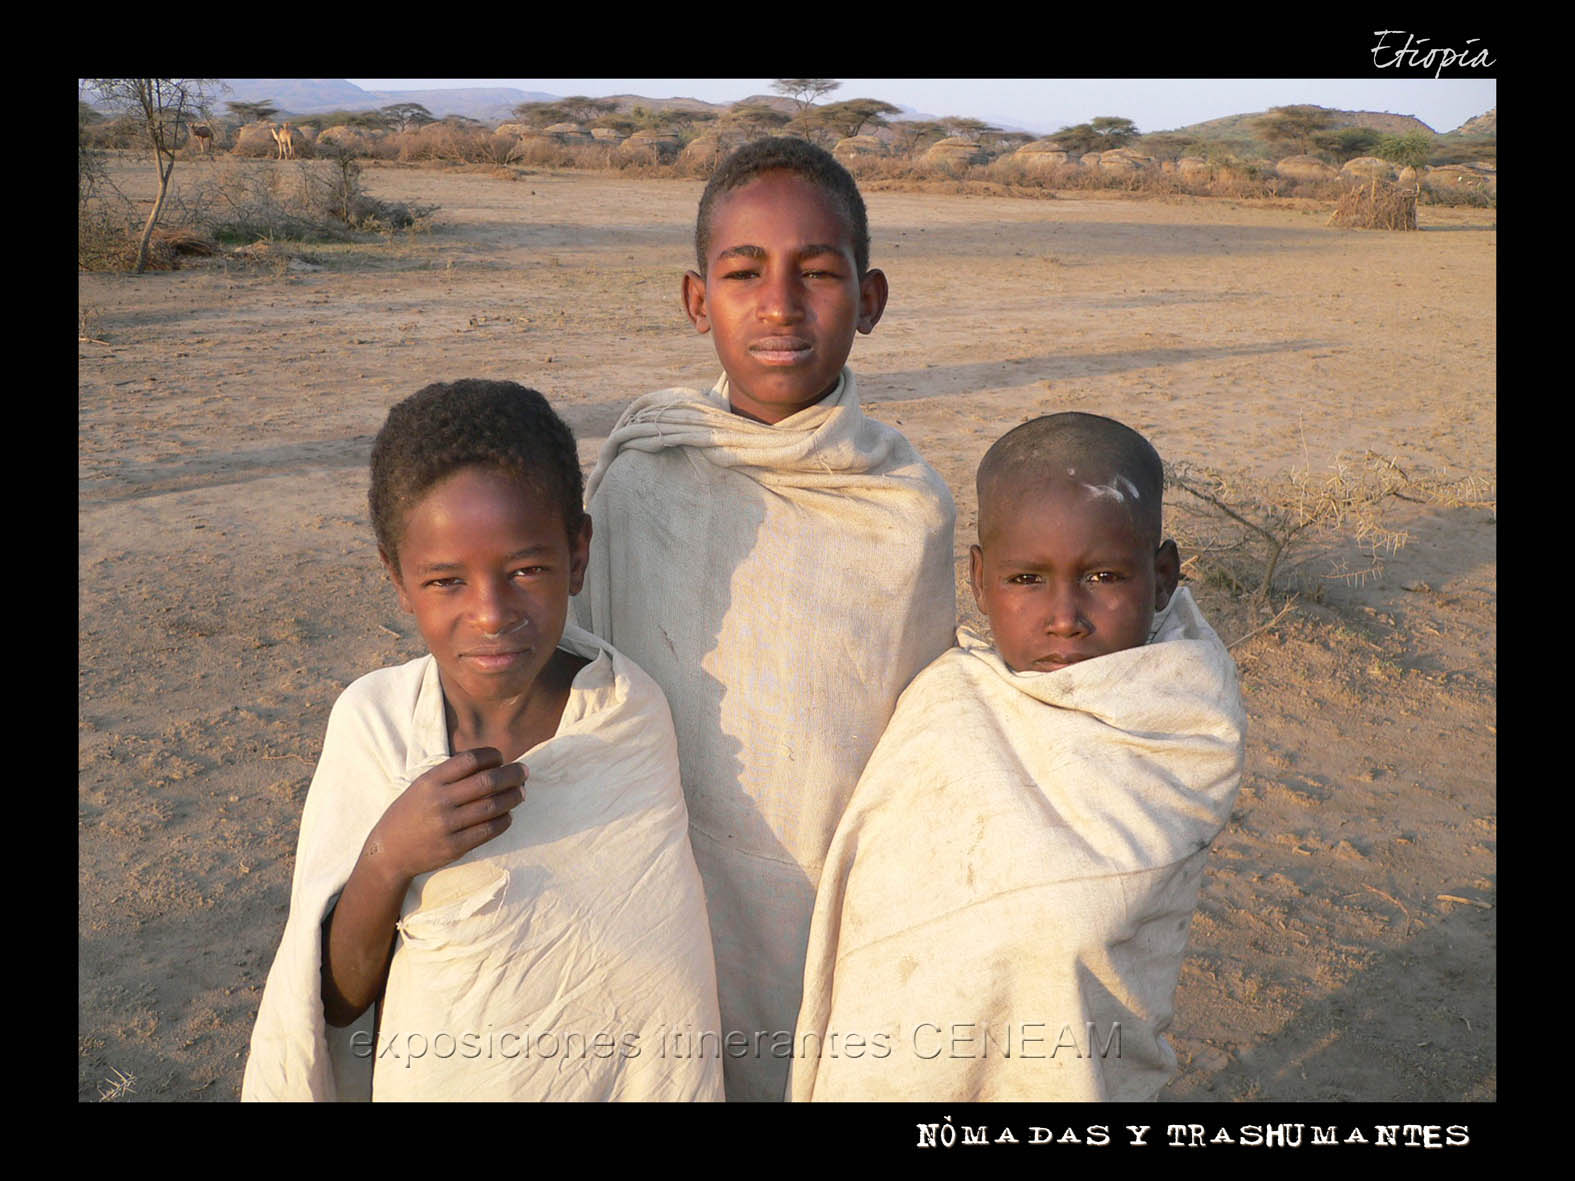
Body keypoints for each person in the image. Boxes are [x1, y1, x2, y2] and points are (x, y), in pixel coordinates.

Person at [575, 138, 956, 1100]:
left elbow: (916, 750)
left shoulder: (904, 511)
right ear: (698, 299)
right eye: (744, 272)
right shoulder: (637, 477)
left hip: (821, 901)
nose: (780, 304)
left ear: (868, 300)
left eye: (817, 273)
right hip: (654, 881)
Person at [242, 380, 722, 1101]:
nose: (492, 613)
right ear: (398, 580)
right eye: (445, 581)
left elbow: (656, 981)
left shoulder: (627, 717)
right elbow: (334, 1004)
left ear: (578, 552)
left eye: (526, 570)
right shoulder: (377, 724)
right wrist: (388, 856)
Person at [791, 412, 1247, 1101]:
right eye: (1026, 578)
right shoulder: (945, 702)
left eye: (1102, 574)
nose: (1064, 614)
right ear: (978, 579)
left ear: (1161, 577)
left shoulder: (1180, 721)